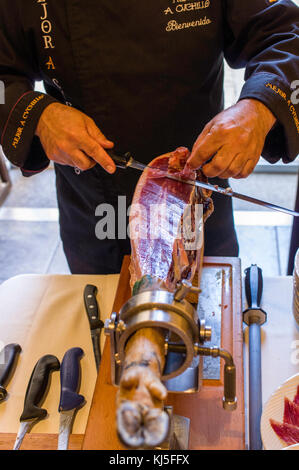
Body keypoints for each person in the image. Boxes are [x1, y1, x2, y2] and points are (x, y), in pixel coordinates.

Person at [0, 0, 298, 274]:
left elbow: (286, 36)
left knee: (206, 316)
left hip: (197, 201)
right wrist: (38, 114)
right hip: (95, 211)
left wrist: (258, 109)